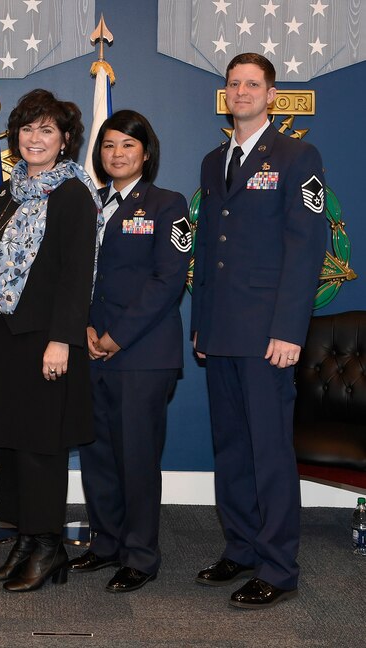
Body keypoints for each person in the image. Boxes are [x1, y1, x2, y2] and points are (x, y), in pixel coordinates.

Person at [191, 53, 328, 609]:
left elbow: (307, 246)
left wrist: (290, 329)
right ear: (225, 94)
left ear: (271, 94)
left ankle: (277, 565)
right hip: (220, 331)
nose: (242, 91)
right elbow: (206, 248)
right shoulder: (211, 161)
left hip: (268, 335)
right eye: (233, 84)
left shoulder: (298, 155)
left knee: (269, 451)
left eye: (253, 84)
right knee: (231, 448)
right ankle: (242, 547)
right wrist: (200, 325)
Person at [0, 88, 101, 593]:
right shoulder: (8, 191)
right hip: (4, 337)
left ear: (66, 139)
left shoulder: (72, 194)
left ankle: (48, 546)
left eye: (47, 129)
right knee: (8, 442)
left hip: (46, 340)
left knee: (41, 447)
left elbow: (76, 274)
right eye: (27, 128)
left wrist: (62, 340)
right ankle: (25, 540)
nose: (35, 138)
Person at [68, 110, 190, 593]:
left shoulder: (167, 204)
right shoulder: (87, 204)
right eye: (108, 145)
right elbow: (73, 275)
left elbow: (168, 280)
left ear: (146, 152)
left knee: (136, 456)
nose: (116, 154)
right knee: (96, 453)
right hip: (89, 346)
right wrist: (87, 329)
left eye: (127, 146)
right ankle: (106, 543)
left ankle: (139, 555)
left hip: (141, 353)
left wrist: (116, 335)